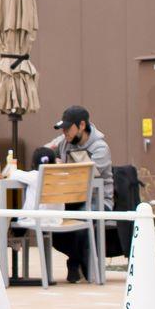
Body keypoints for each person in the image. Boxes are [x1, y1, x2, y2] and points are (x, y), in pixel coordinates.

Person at [42, 105, 112, 282]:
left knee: (81, 220)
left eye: (67, 128)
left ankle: (78, 263)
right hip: (70, 199)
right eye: (62, 129)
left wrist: (61, 168)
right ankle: (78, 260)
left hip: (98, 200)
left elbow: (87, 177)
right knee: (52, 223)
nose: (64, 132)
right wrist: (50, 155)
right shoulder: (65, 141)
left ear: (81, 125)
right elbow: (44, 151)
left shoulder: (100, 147)